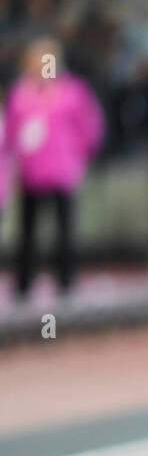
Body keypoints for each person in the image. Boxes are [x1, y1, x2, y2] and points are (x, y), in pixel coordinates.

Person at [5, 37, 104, 299]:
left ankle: (66, 282)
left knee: (64, 230)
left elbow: (89, 127)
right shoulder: (21, 94)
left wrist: (81, 157)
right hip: (31, 173)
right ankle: (24, 284)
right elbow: (10, 134)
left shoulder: (72, 91)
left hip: (62, 171)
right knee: (27, 233)